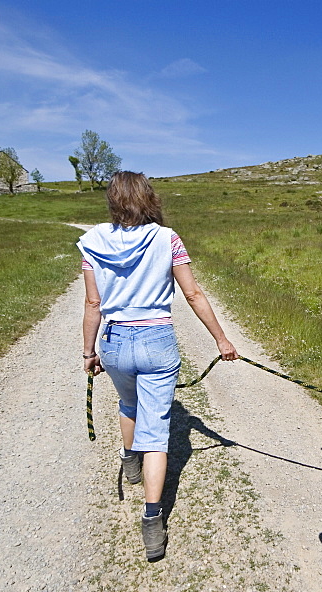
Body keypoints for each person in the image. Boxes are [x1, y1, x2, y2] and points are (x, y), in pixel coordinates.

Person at [78, 171, 238, 560]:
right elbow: (193, 293)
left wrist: (89, 353)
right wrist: (221, 338)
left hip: (114, 341)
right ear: (149, 198)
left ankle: (130, 461)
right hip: (156, 342)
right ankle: (152, 520)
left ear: (114, 201)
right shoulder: (167, 239)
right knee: (157, 431)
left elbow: (92, 304)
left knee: (128, 405)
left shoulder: (93, 241)